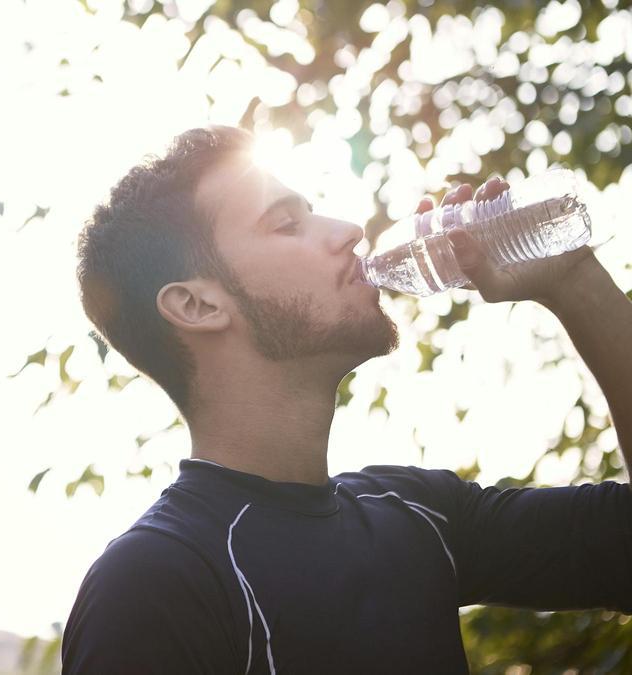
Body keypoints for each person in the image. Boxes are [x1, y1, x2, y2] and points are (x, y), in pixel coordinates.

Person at [62, 125, 632, 674]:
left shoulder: (419, 513)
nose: (349, 230)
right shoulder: (155, 581)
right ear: (197, 306)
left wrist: (574, 281)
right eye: (287, 224)